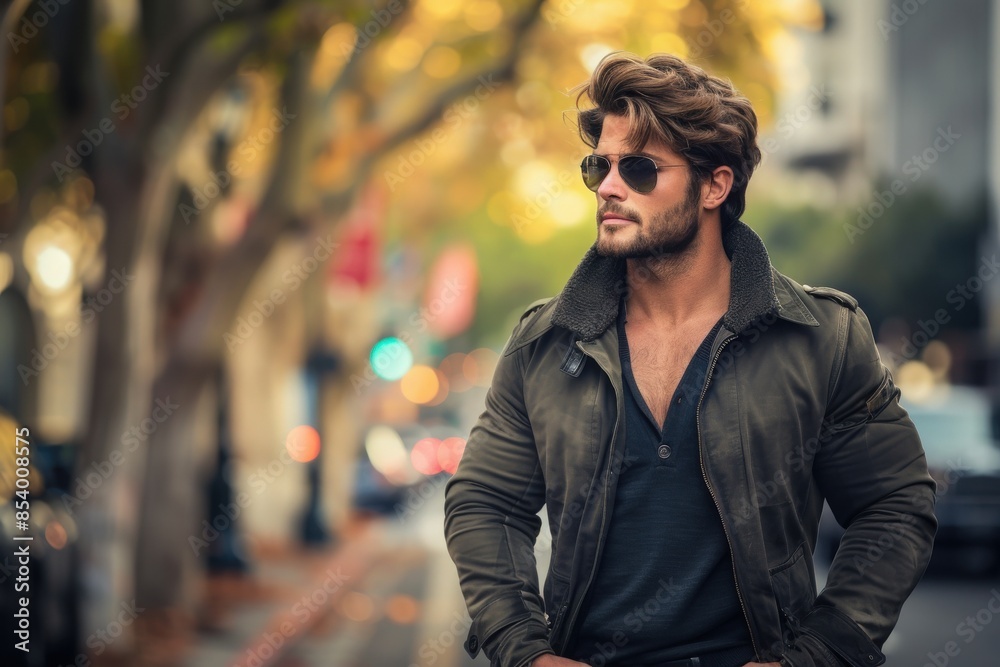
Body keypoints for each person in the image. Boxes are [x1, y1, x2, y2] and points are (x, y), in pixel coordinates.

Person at [443, 52, 936, 667]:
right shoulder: (544, 343)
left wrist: (822, 653)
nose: (609, 187)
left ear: (715, 185)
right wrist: (524, 650)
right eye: (600, 166)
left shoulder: (821, 338)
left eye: (640, 169)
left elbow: (894, 506)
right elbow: (484, 502)